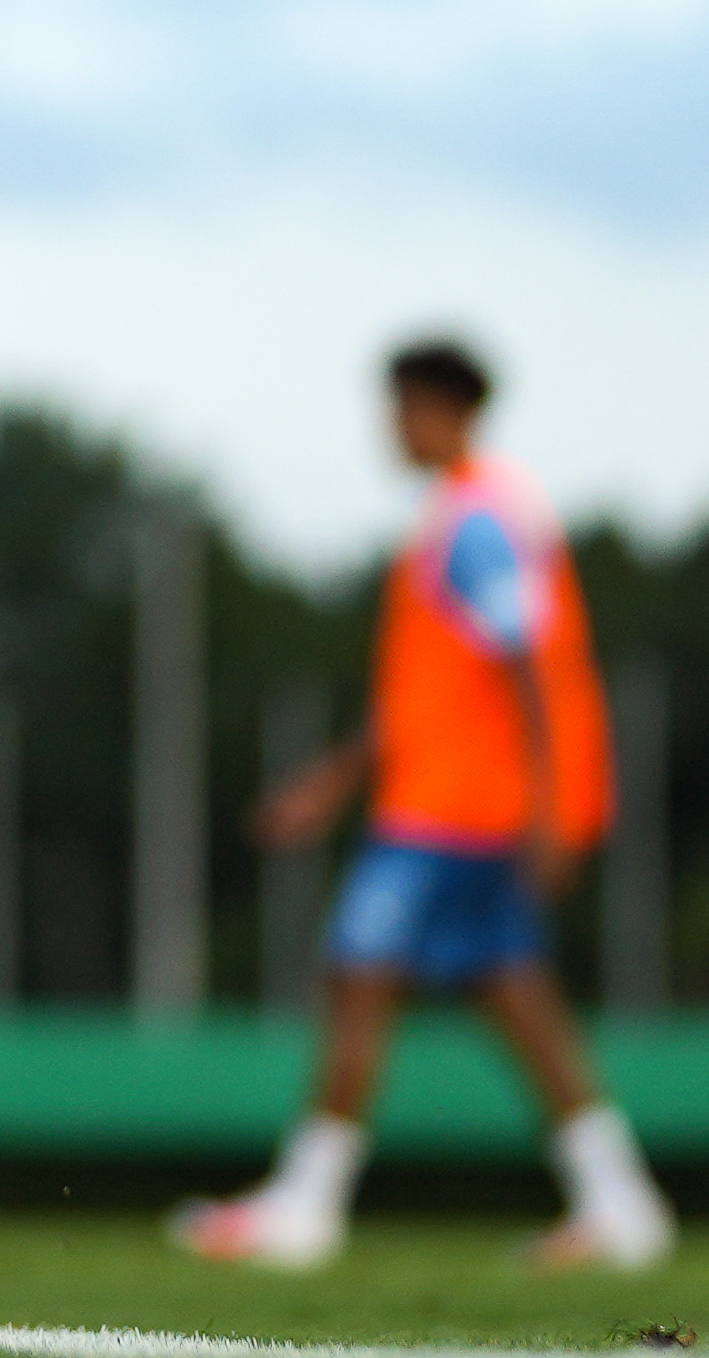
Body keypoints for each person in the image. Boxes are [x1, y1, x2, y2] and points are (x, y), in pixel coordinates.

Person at [175, 338, 674, 1272]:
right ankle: (621, 1202)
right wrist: (334, 778)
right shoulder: (468, 515)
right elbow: (426, 697)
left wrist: (545, 807)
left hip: (456, 811)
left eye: (399, 409)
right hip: (462, 802)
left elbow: (528, 665)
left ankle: (306, 1208)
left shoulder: (478, 521)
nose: (388, 428)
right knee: (514, 996)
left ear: (443, 412)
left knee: (357, 974)